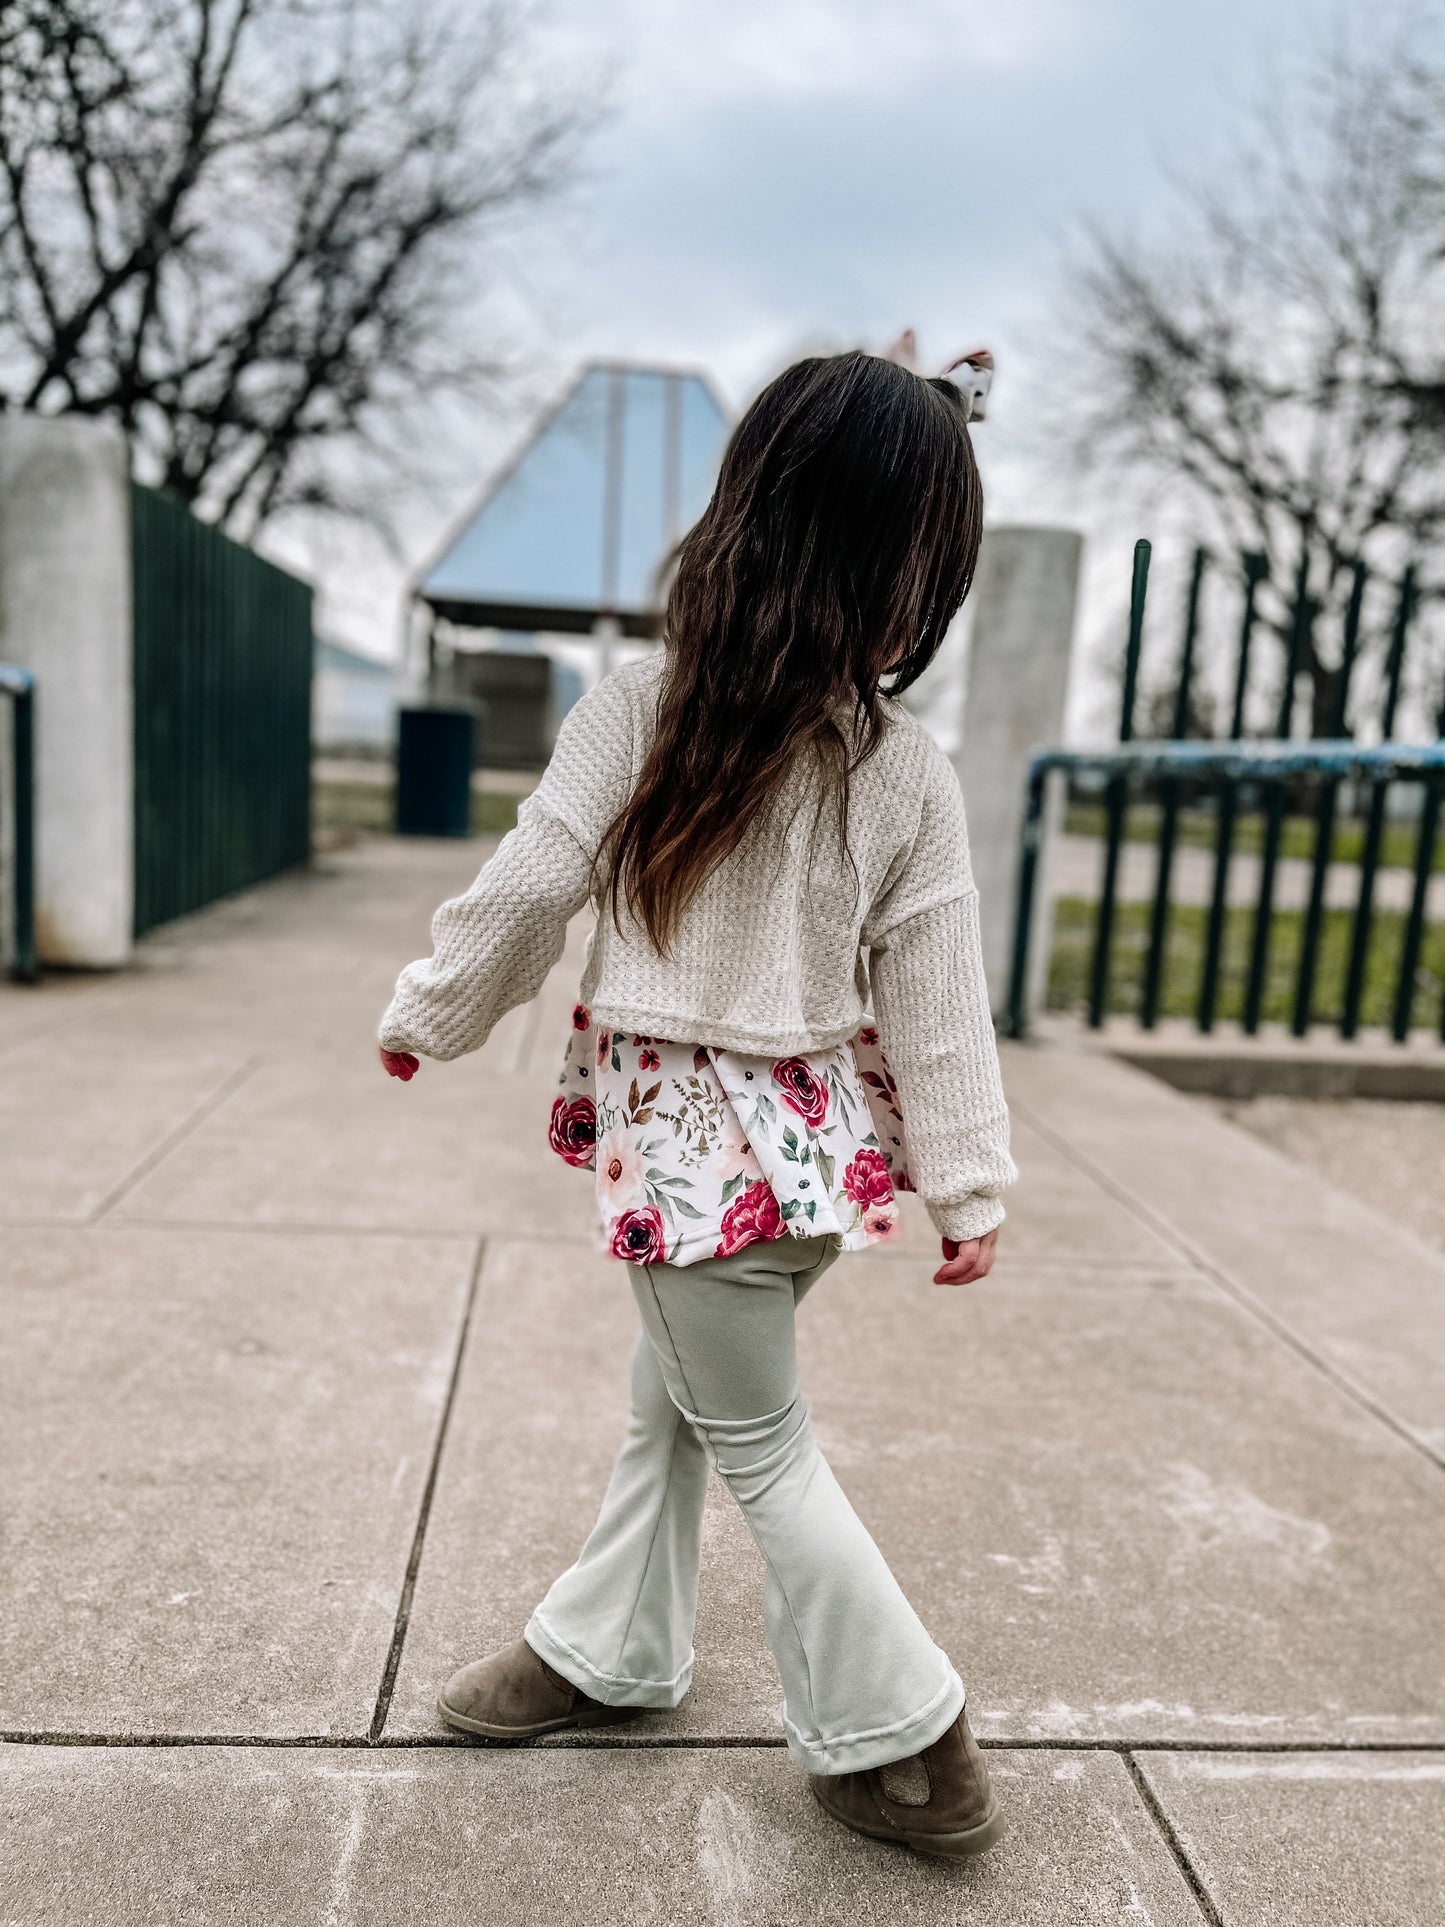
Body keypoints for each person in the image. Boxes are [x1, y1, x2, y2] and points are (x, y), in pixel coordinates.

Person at [377, 349, 1017, 1861]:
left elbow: (530, 882)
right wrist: (965, 1181)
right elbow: (939, 992)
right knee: (666, 1411)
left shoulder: (645, 706)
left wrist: (430, 1011)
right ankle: (608, 1650)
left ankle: (909, 1741)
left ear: (744, 517)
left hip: (690, 1174)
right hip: (809, 1176)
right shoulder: (897, 762)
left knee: (761, 1446)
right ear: (908, 578)